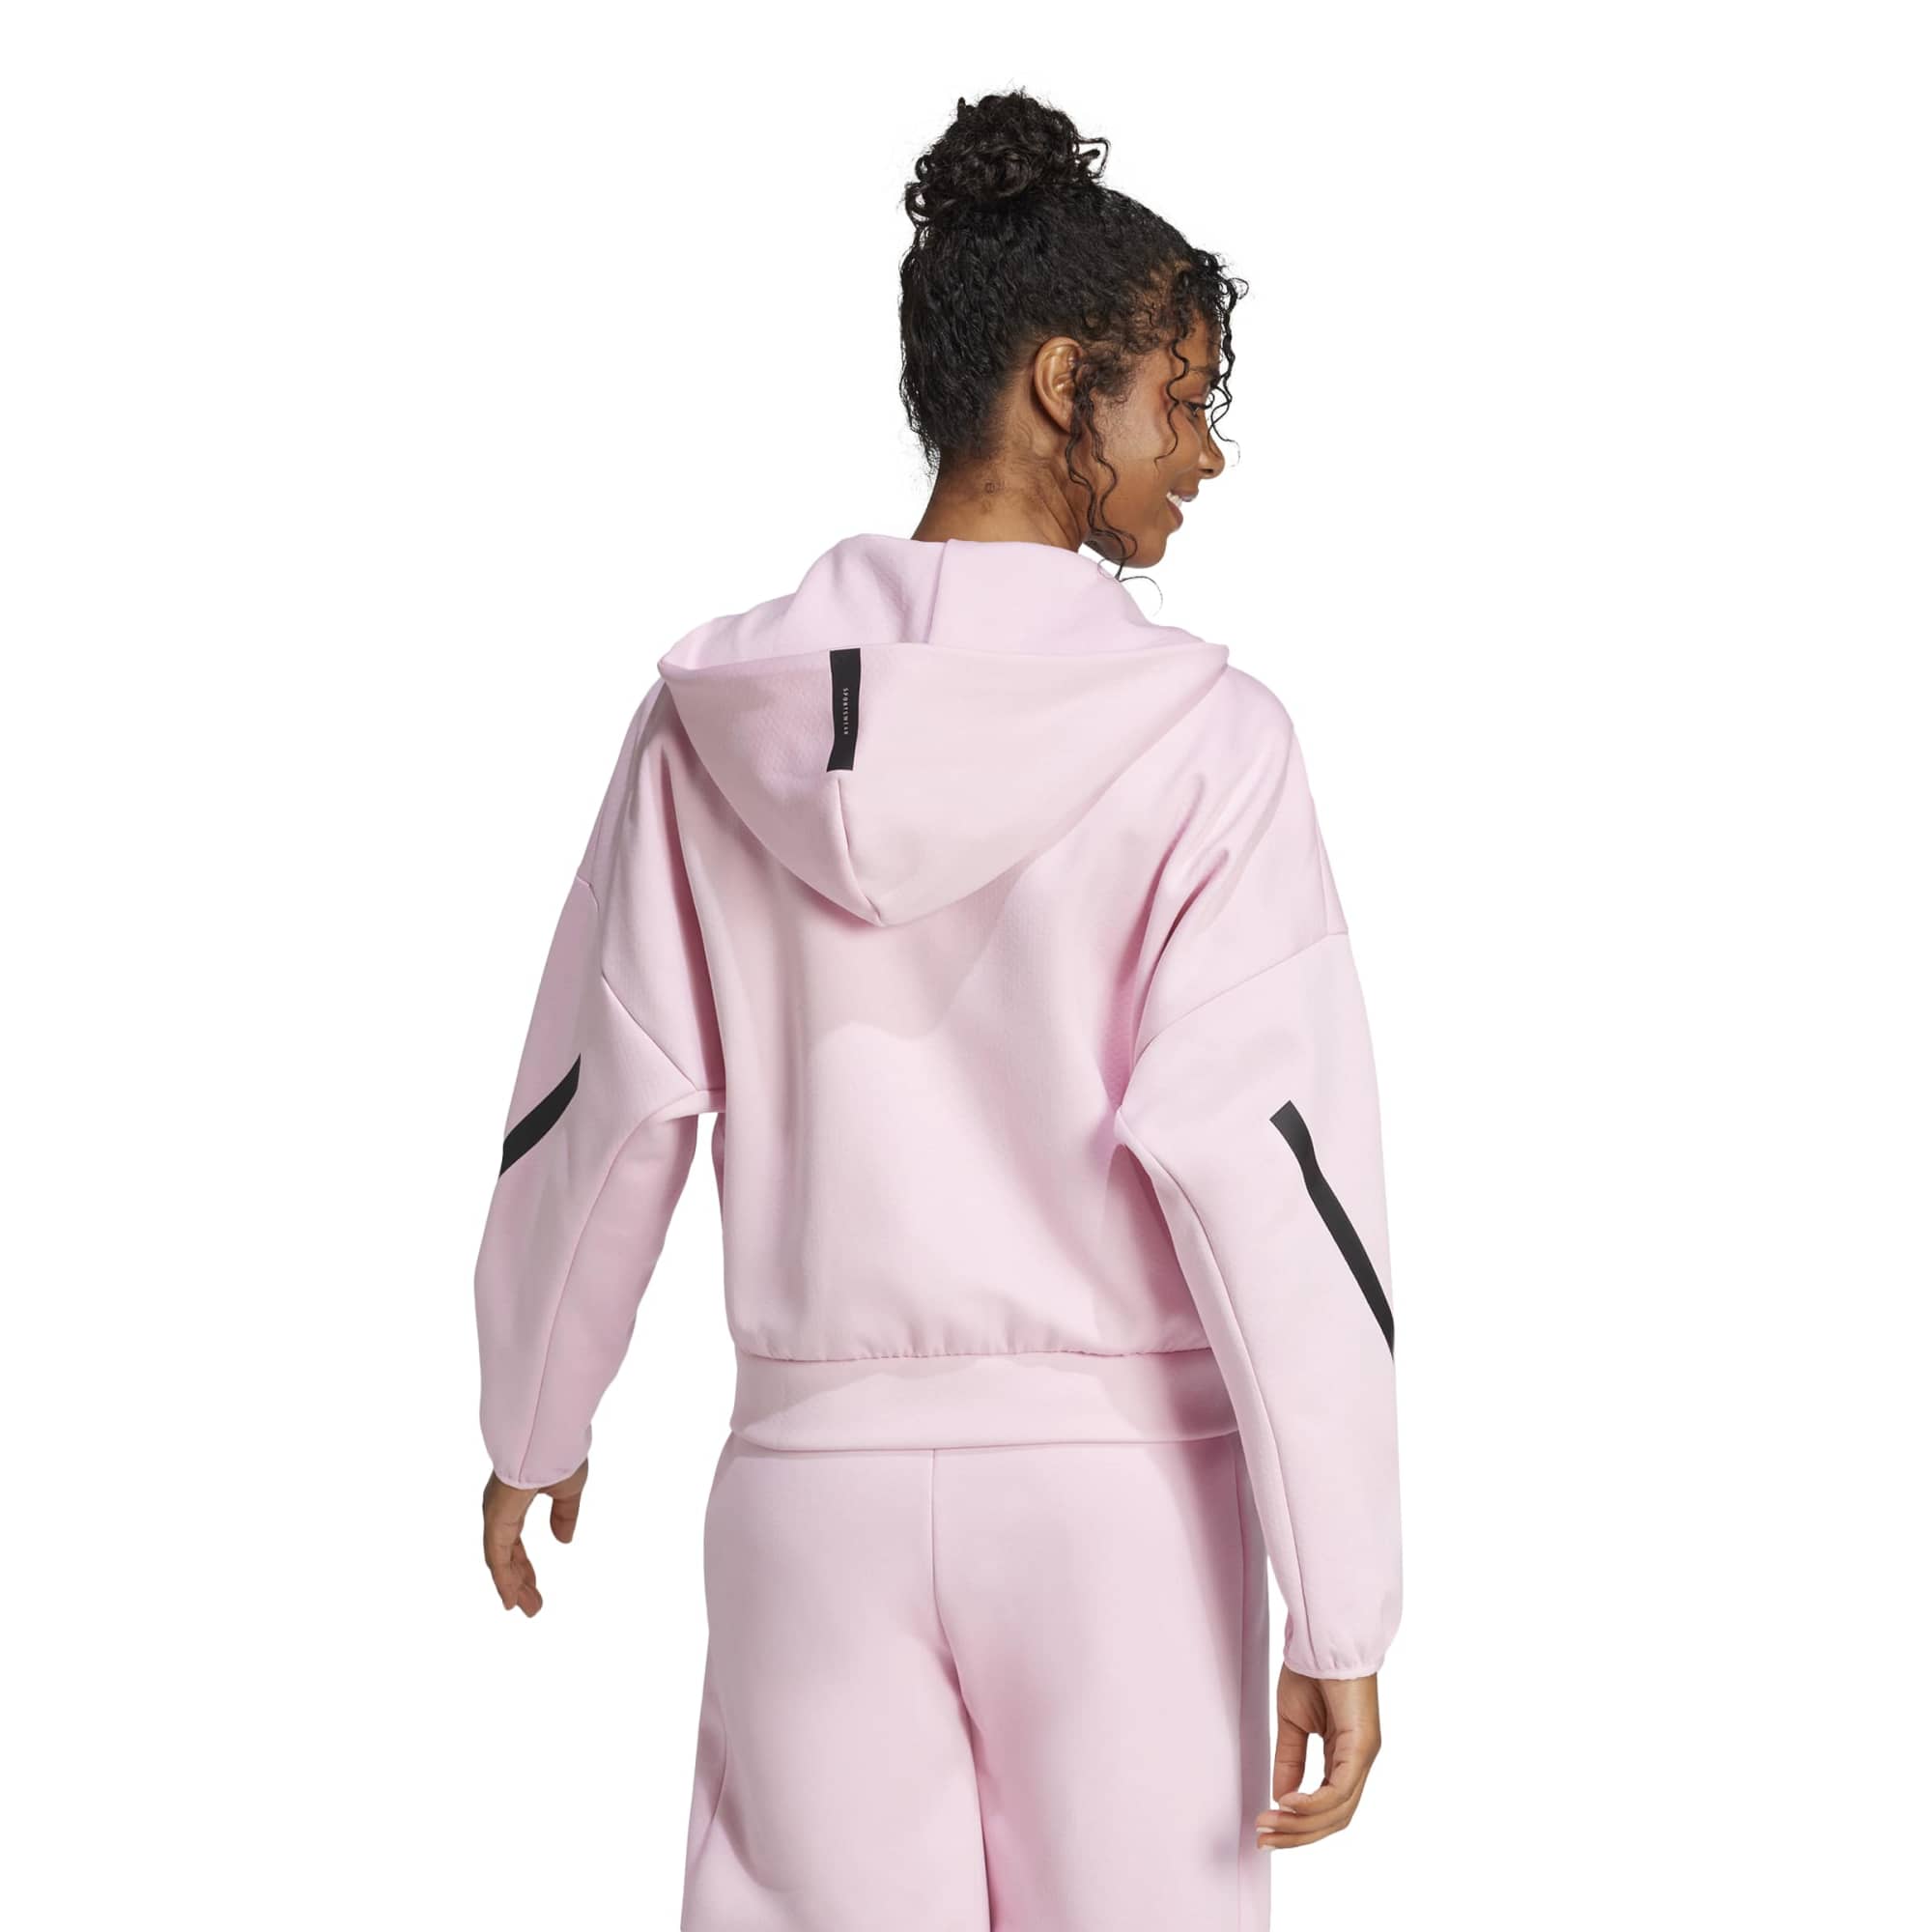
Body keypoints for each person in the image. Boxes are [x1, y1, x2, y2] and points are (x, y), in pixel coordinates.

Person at [471, 87, 1400, 1932]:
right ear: (1066, 386)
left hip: (809, 1496)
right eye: (1182, 398)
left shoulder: (710, 732)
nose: (1206, 453)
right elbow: (1274, 1177)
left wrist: (532, 1416)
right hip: (1120, 1509)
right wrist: (1343, 1590)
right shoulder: (1211, 748)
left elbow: (608, 1094)